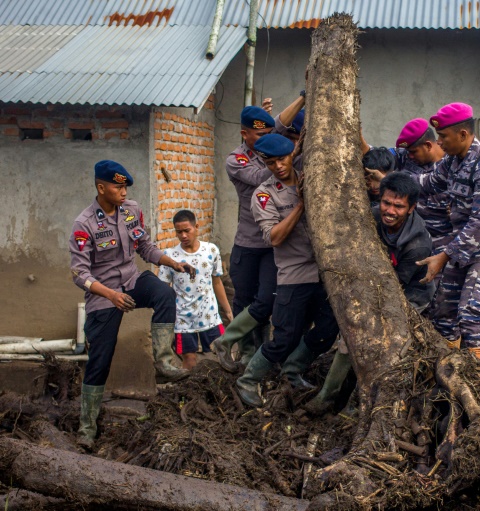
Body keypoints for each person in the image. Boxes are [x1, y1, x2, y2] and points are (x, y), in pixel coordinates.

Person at [69, 160, 196, 448]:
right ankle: (87, 427)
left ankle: (164, 361)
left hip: (132, 281)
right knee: (100, 361)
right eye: (117, 186)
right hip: (104, 296)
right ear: (101, 188)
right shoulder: (84, 224)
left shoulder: (131, 212)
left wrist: (172, 262)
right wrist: (111, 296)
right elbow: (79, 274)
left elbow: (145, 248)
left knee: (164, 294)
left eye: (125, 186)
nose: (123, 191)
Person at [304, 172, 436, 414]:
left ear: (410, 208)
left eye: (398, 206)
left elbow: (395, 291)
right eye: (386, 203)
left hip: (409, 295)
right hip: (373, 286)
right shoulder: (371, 218)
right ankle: (328, 395)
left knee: (382, 343)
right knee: (350, 337)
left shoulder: (417, 244)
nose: (390, 211)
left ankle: (363, 404)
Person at [236, 134, 340, 407]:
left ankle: (292, 370)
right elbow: (274, 237)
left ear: (292, 153)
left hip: (323, 271)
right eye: (271, 163)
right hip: (293, 274)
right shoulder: (263, 194)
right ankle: (248, 380)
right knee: (284, 337)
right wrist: (301, 206)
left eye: (282, 159)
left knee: (329, 328)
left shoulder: (311, 176)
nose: (278, 167)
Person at [409, 102, 480, 366]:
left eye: (443, 136)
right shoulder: (453, 162)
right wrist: (388, 180)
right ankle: (449, 369)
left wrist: (443, 256)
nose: (439, 142)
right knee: (443, 312)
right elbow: (428, 183)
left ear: (464, 135)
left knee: (471, 317)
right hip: (462, 249)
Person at [215, 97, 304, 371]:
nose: (269, 137)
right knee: (244, 302)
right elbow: (263, 177)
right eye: (262, 135)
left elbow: (281, 123)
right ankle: (243, 355)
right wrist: (292, 155)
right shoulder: (237, 160)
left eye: (270, 133)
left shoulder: (269, 143)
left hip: (271, 245)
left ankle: (258, 356)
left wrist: (302, 97)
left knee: (266, 301)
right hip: (247, 245)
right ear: (245, 134)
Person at [158, 210, 233, 370]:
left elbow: (217, 282)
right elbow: (164, 289)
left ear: (196, 227)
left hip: (210, 316)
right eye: (179, 232)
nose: (183, 235)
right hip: (183, 319)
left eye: (187, 230)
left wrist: (227, 310)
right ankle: (189, 394)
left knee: (222, 357)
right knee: (189, 362)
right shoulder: (170, 256)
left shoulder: (211, 250)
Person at [389, 118, 452, 253]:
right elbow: (376, 156)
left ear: (428, 145)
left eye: (413, 152)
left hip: (441, 244)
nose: (410, 156)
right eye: (408, 152)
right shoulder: (405, 156)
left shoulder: (452, 166)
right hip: (408, 241)